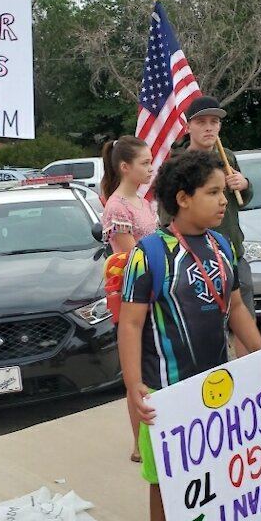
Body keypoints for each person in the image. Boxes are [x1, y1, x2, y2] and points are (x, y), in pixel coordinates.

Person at [119, 151, 261, 521]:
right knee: (164, 477)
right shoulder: (148, 254)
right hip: (167, 391)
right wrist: (134, 384)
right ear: (183, 198)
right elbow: (130, 324)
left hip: (218, 386)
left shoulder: (223, 246)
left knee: (215, 466)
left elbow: (235, 308)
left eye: (223, 191)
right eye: (213, 192)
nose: (224, 199)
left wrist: (260, 350)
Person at [175, 96, 261, 415]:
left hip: (233, 253)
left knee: (246, 324)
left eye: (214, 122)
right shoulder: (179, 165)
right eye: (201, 122)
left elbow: (242, 199)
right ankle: (212, 403)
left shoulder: (228, 158)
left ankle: (255, 395)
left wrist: (244, 183)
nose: (209, 127)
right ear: (188, 127)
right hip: (197, 260)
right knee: (205, 332)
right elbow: (167, 213)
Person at [99, 135, 159, 463]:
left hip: (153, 292)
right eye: (145, 163)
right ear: (125, 167)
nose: (151, 168)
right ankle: (139, 443)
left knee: (151, 367)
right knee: (137, 373)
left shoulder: (142, 201)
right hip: (133, 296)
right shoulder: (117, 207)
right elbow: (130, 256)